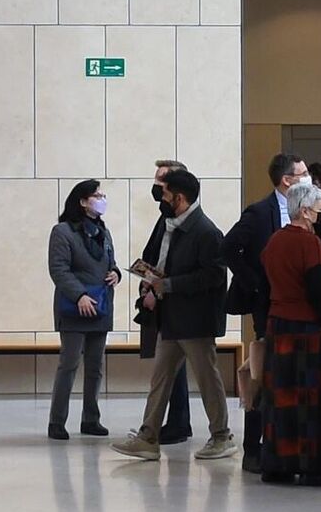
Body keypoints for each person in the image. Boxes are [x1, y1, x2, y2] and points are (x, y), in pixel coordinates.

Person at [111, 170, 237, 461]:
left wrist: (167, 285)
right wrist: (150, 278)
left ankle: (222, 436)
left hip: (195, 320)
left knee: (207, 379)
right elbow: (164, 261)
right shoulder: (170, 224)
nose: (160, 199)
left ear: (179, 198)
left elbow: (215, 276)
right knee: (160, 378)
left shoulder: (206, 231)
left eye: (164, 194)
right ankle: (148, 437)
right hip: (172, 316)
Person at [223, 153, 310, 471]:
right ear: (286, 179)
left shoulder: (305, 211)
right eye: (302, 173)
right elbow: (229, 246)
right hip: (268, 307)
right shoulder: (260, 212)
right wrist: (255, 283)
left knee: (290, 376)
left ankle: (285, 442)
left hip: (299, 308)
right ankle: (253, 447)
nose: (307, 176)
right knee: (263, 372)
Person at [258, 182, 321, 486]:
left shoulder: (274, 241)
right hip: (307, 329)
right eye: (319, 208)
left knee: (281, 399)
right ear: (305, 211)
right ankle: (316, 466)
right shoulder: (310, 244)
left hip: (278, 325)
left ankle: (278, 464)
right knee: (314, 400)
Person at [46, 179, 120, 440]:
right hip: (74, 308)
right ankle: (57, 421)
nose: (101, 199)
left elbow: (111, 262)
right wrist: (79, 295)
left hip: (100, 306)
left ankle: (91, 419)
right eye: (96, 195)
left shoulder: (103, 231)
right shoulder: (63, 232)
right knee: (69, 364)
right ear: (82, 201)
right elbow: (59, 270)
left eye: (102, 194)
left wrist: (116, 274)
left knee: (95, 366)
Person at [140, 160, 197, 443]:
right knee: (169, 366)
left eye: (161, 183)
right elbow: (153, 256)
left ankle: (179, 423)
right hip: (161, 297)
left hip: (177, 302)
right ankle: (170, 423)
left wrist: (157, 287)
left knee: (179, 367)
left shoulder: (190, 223)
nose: (156, 188)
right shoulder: (165, 218)